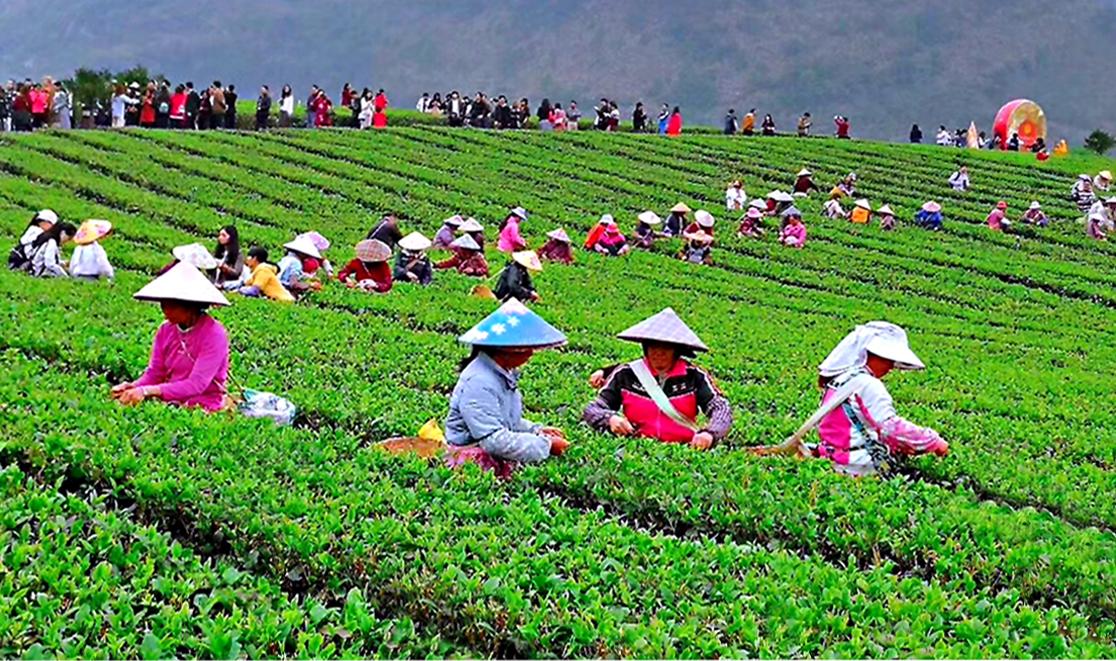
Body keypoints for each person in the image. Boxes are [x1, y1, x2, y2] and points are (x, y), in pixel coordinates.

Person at [759, 322, 948, 476]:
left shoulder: (839, 381)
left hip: (833, 459)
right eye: (888, 358)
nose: (891, 365)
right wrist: (933, 441)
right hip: (857, 466)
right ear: (871, 354)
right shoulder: (868, 385)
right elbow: (891, 429)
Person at [445, 299, 570, 475]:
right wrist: (546, 445)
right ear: (506, 350)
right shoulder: (478, 382)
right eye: (525, 348)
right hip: (469, 458)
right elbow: (493, 439)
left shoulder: (501, 374)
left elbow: (504, 420)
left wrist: (535, 429)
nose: (530, 354)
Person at [582, 308, 731, 448]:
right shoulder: (626, 374)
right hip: (636, 450)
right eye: (653, 346)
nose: (658, 352)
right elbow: (593, 409)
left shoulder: (694, 377)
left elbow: (720, 407)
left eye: (666, 347)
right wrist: (610, 418)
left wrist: (710, 434)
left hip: (683, 451)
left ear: (677, 350)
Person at [111, 263, 231, 412]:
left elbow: (196, 384)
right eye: (163, 305)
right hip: (170, 402)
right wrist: (133, 386)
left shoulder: (214, 335)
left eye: (172, 306)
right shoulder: (165, 330)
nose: (165, 311)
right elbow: (155, 372)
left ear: (190, 306)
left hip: (202, 406)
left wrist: (147, 391)